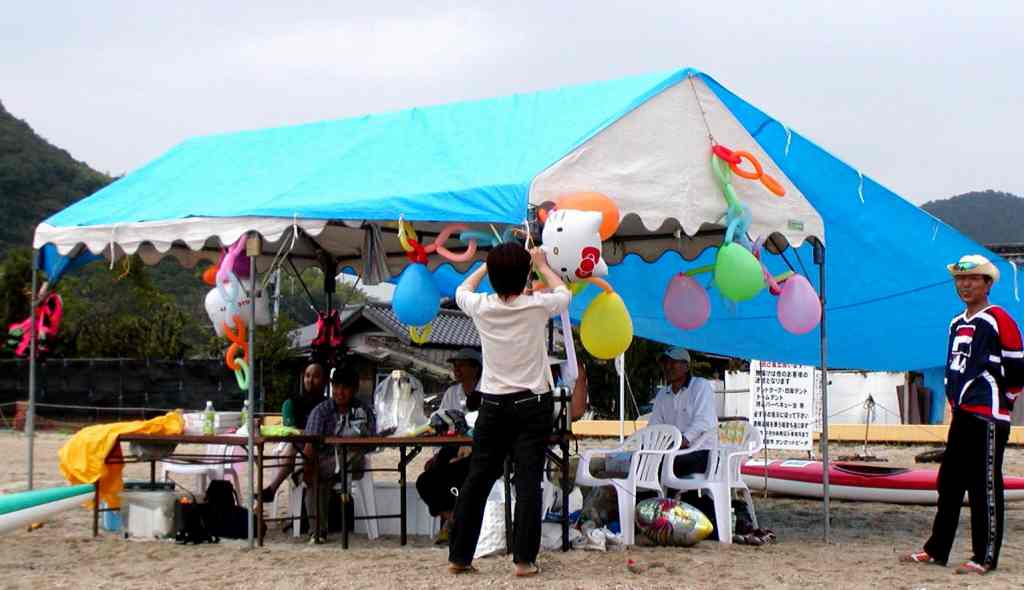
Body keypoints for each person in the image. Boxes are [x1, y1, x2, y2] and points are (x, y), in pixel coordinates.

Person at [447, 243, 571, 578]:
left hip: (492, 404)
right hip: (532, 404)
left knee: (478, 479)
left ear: (494, 277)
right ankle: (524, 561)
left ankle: (459, 556)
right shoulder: (536, 306)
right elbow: (564, 294)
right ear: (524, 274)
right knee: (528, 482)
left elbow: (461, 291)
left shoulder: (482, 307)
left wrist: (484, 266)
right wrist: (542, 263)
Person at [902, 255, 1024, 575]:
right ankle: (937, 550)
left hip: (988, 416)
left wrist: (1004, 400)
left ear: (988, 283)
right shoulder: (956, 323)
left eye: (972, 279)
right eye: (960, 279)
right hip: (962, 413)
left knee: (984, 485)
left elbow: (1017, 367)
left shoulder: (998, 319)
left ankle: (985, 557)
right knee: (950, 483)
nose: (965, 285)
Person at [416, 348, 483, 543]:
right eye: (455, 366)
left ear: (475, 368)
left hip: (478, 452)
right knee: (425, 480)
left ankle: (457, 523)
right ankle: (452, 518)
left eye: (462, 365)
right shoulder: (452, 392)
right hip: (451, 449)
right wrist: (438, 453)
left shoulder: (488, 392)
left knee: (455, 473)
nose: (457, 369)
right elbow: (440, 424)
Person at [302, 365, 376, 539]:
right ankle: (317, 532)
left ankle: (317, 531)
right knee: (317, 478)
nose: (339, 392)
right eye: (336, 387)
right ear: (331, 386)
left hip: (353, 463)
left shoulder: (363, 410)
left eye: (345, 388)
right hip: (324, 461)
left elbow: (372, 443)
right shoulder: (321, 412)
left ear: (355, 389)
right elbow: (310, 445)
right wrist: (308, 467)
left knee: (350, 454)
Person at [261, 362, 326, 502]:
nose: (310, 380)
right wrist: (306, 434)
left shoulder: (328, 405)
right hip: (298, 444)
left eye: (315, 376)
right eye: (307, 376)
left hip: (323, 446)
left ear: (324, 380)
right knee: (293, 445)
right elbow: (291, 430)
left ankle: (275, 488)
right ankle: (273, 490)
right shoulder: (293, 403)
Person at [648, 347, 718, 477]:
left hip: (702, 451)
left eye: (673, 362)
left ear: (686, 366)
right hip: (673, 451)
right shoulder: (663, 394)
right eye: (665, 363)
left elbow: (703, 422)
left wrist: (680, 442)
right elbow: (654, 426)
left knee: (662, 465)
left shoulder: (700, 386)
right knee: (640, 459)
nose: (667, 367)